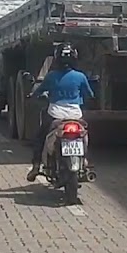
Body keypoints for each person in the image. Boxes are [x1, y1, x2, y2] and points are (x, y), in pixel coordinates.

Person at [26, 44, 95, 182]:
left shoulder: (51, 76)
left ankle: (36, 167)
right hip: (75, 115)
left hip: (55, 115)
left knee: (40, 137)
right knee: (84, 134)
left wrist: (32, 95)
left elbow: (38, 91)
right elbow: (90, 94)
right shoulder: (80, 76)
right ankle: (85, 161)